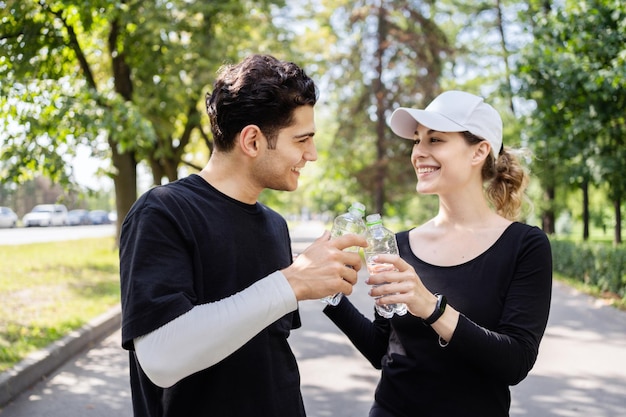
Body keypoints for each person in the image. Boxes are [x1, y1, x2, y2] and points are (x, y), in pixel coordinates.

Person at [119, 54, 367, 417]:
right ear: (251, 140)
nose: (311, 154)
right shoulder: (163, 212)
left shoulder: (275, 225)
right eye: (302, 140)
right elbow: (161, 358)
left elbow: (265, 358)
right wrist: (292, 282)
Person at [324, 90, 553, 417]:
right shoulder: (399, 244)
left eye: (435, 140)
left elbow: (515, 362)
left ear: (479, 152)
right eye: (417, 141)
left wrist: (431, 308)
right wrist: (329, 293)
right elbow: (381, 350)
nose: (418, 152)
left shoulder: (525, 246)